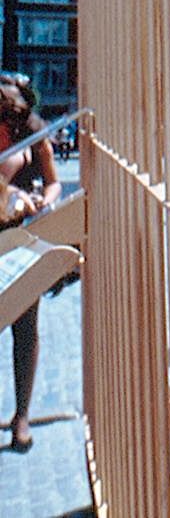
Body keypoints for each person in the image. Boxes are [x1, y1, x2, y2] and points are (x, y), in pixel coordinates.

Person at [0, 72, 63, 454]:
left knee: (25, 324)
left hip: (15, 233)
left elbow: (53, 182)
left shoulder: (31, 132)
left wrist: (44, 200)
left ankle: (21, 417)